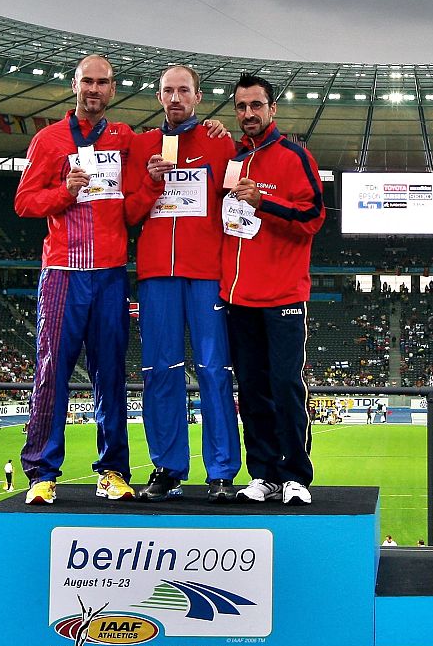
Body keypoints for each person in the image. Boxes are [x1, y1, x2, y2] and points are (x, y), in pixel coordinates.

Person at [16, 54, 138, 505]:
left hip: (110, 273)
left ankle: (112, 471)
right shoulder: (48, 141)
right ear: (74, 86)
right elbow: (25, 202)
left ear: (112, 90)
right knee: (52, 371)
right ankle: (42, 474)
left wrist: (213, 130)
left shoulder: (124, 138)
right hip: (64, 273)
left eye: (102, 82)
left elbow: (173, 144)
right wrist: (64, 192)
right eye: (87, 81)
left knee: (112, 375)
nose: (94, 89)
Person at [124, 64, 240, 502]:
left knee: (214, 371)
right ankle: (168, 467)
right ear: (158, 97)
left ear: (198, 97)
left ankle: (222, 471)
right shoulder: (140, 146)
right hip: (156, 275)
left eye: (184, 91)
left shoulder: (218, 141)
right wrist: (152, 183)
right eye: (168, 91)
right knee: (159, 371)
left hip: (206, 273)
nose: (175, 98)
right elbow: (129, 214)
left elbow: (231, 200)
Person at [221, 73, 326, 506]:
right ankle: (262, 474)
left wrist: (265, 202)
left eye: (256, 105)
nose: (249, 113)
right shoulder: (231, 159)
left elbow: (314, 218)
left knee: (285, 385)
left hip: (283, 295)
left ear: (272, 109)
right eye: (241, 106)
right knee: (251, 389)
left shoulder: (295, 157)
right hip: (237, 298)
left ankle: (296, 474)